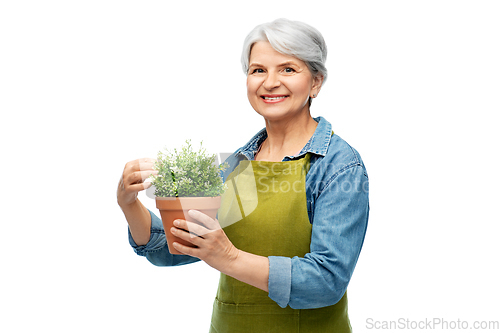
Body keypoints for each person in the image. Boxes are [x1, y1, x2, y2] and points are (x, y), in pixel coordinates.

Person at [117, 18, 369, 332]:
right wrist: (129, 204)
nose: (270, 82)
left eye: (288, 69)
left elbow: (326, 281)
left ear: (315, 82)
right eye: (258, 70)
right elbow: (173, 251)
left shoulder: (336, 165)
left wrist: (229, 258)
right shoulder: (240, 165)